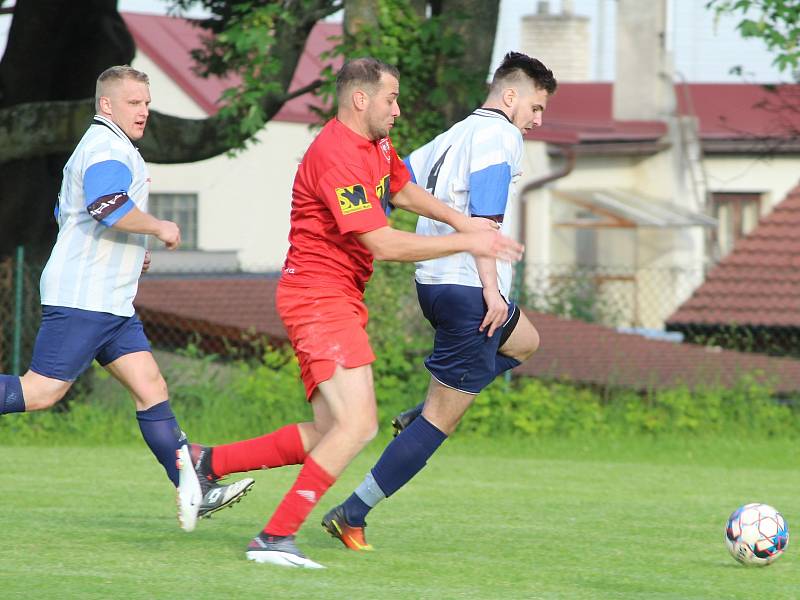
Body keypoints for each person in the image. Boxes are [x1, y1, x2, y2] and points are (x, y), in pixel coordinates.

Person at [177, 57, 523, 569]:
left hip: (337, 296)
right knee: (358, 425)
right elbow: (379, 242)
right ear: (360, 99)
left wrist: (466, 222)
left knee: (330, 432)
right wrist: (466, 240)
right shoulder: (337, 153)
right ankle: (274, 538)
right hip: (318, 297)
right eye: (391, 99)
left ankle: (209, 462)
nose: (399, 110)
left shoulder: (374, 144)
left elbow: (400, 188)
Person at [0, 65, 253, 532]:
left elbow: (67, 211)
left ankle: (193, 487)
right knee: (40, 393)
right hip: (85, 297)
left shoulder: (106, 147)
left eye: (147, 103)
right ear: (107, 105)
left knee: (151, 388)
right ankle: (192, 482)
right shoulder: (107, 147)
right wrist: (157, 227)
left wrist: (131, 250)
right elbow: (104, 205)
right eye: (134, 103)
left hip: (110, 300)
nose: (144, 112)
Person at [320, 52, 556, 551]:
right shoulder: (502, 136)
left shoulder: (455, 134)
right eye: (535, 107)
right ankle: (352, 512)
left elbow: (391, 185)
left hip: (434, 285)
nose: (538, 120)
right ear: (510, 96)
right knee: (440, 421)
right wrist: (492, 289)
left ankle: (416, 411)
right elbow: (485, 219)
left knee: (527, 342)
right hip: (470, 288)